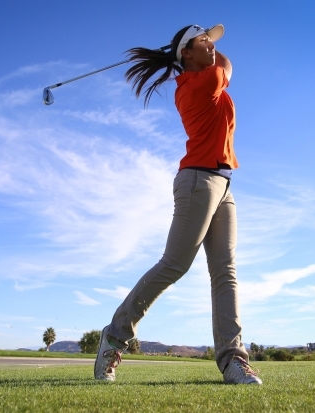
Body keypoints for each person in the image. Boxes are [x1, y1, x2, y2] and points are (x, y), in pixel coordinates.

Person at [93, 24, 262, 385]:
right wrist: (202, 47)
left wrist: (200, 41)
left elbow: (220, 59)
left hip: (223, 183)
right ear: (186, 54)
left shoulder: (203, 74)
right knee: (174, 264)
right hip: (197, 182)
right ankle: (114, 337)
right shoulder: (197, 84)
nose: (212, 47)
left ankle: (233, 360)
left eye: (211, 42)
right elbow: (228, 65)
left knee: (226, 271)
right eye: (204, 43)